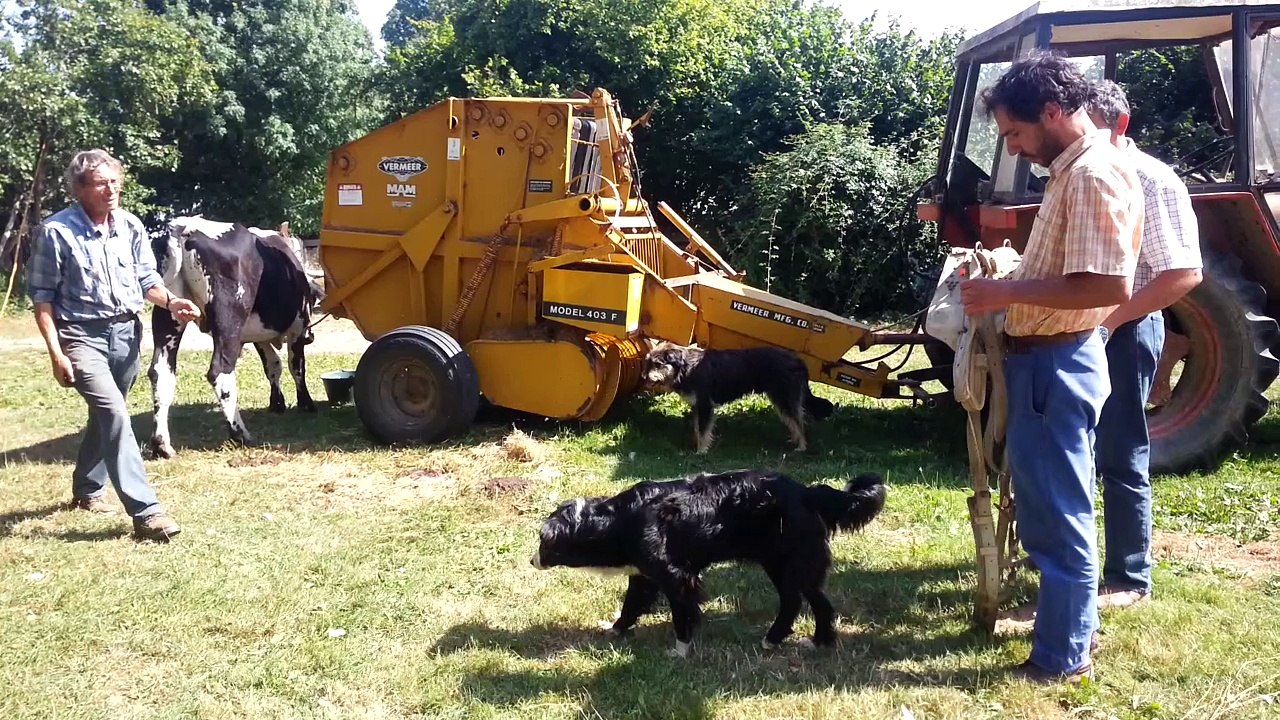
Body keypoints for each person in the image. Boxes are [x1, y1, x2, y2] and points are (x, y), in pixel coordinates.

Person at [959, 53, 1144, 683]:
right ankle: (1067, 636)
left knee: (1059, 514)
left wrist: (1003, 295)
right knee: (1048, 507)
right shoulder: (1075, 170)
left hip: (1056, 365)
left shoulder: (1090, 174)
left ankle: (1062, 658)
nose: (1012, 147)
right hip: (1052, 361)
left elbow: (1108, 284)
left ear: (1052, 112)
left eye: (1013, 134)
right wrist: (1013, 271)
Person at [26, 149, 202, 542]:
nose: (113, 189)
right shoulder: (57, 232)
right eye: (103, 183)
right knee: (116, 414)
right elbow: (42, 299)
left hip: (125, 335)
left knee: (108, 414)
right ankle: (147, 512)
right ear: (80, 188)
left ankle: (87, 488)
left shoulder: (130, 226)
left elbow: (146, 280)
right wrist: (57, 353)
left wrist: (172, 301)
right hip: (80, 336)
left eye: (116, 181)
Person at [1086, 80, 1203, 609]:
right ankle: (1074, 557)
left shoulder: (1152, 180)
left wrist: (1108, 321)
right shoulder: (1085, 174)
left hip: (1126, 331)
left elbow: (1182, 274)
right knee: (1076, 448)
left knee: (1120, 448)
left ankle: (1129, 577)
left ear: (1120, 124)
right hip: (1089, 327)